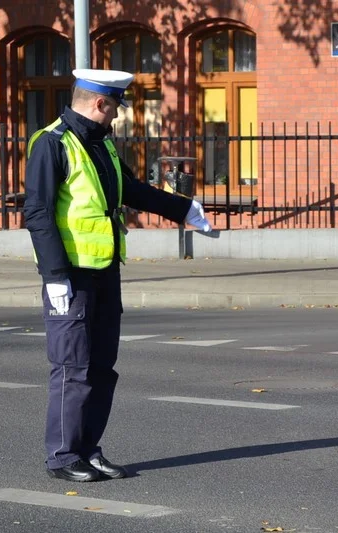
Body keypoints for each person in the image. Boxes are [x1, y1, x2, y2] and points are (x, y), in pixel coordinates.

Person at [23, 69, 212, 483]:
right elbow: (37, 213)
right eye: (116, 108)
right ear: (100, 104)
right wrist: (54, 274)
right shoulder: (51, 143)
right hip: (70, 276)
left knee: (102, 368)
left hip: (105, 272)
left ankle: (88, 449)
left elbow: (133, 189)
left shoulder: (101, 144)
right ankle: (62, 455)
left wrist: (186, 211)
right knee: (73, 367)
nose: (117, 118)